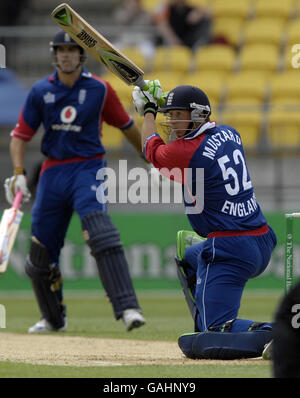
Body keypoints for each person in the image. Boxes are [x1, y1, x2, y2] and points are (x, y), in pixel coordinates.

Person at [4, 30, 146, 333]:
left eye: (72, 49)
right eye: (61, 50)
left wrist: (148, 153)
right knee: (39, 256)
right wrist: (18, 173)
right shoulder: (41, 91)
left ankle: (128, 307)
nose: (66, 55)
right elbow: (20, 137)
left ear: (82, 55)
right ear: (54, 54)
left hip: (88, 168)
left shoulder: (100, 90)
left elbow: (126, 125)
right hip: (52, 172)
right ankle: (53, 319)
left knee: (100, 232)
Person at [132, 81, 277, 359]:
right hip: (261, 237)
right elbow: (196, 140)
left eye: (177, 116)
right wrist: (166, 103)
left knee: (206, 338)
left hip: (230, 248)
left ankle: (282, 334)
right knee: (188, 255)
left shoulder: (186, 151)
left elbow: (152, 150)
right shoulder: (229, 132)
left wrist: (149, 111)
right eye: (169, 115)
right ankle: (200, 260)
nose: (172, 123)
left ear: (198, 115)